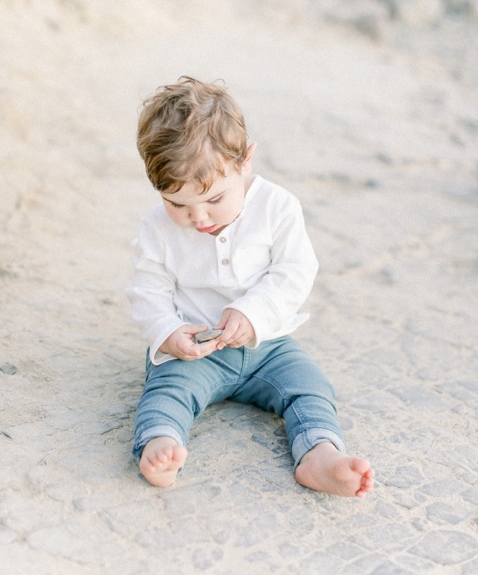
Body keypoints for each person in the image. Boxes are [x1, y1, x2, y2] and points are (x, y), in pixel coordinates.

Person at [127, 77, 373, 497]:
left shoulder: (277, 208)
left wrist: (252, 313)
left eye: (214, 199)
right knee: (167, 390)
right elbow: (147, 290)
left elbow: (295, 271)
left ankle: (318, 453)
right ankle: (161, 442)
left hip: (269, 345)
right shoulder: (156, 229)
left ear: (245, 163)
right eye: (178, 204)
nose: (199, 217)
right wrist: (167, 333)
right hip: (196, 350)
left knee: (310, 386)